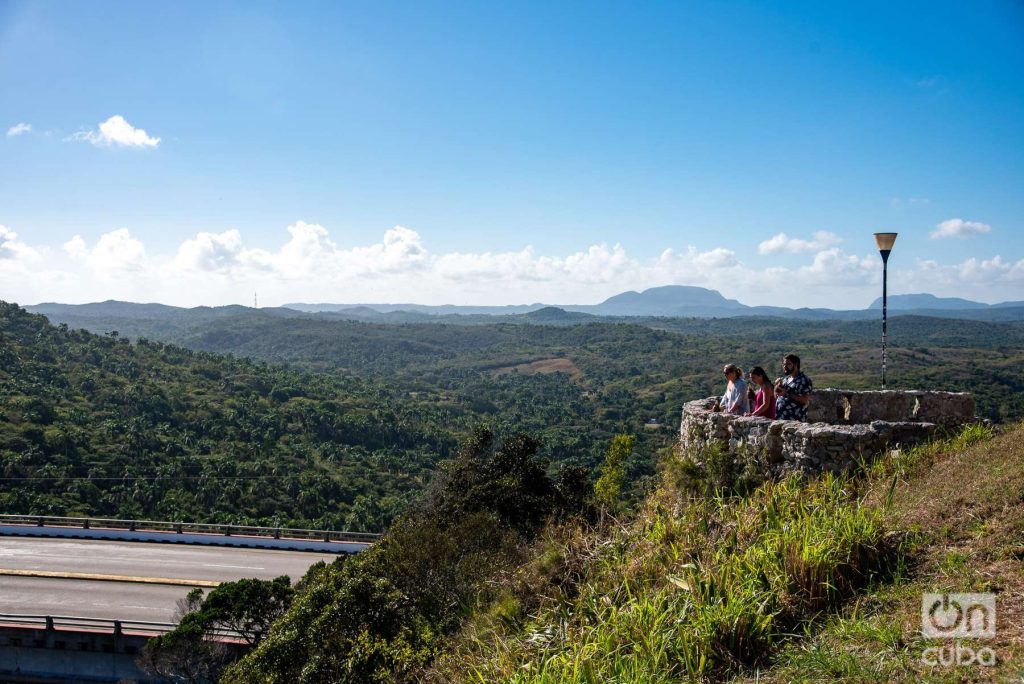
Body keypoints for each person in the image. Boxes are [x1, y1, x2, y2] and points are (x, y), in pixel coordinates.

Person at [775, 353, 812, 421]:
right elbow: (778, 396)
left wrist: (786, 394)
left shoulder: (804, 380)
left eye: (788, 364)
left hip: (795, 421)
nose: (785, 367)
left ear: (796, 365)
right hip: (780, 419)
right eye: (784, 364)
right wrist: (777, 386)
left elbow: (805, 400)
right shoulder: (785, 379)